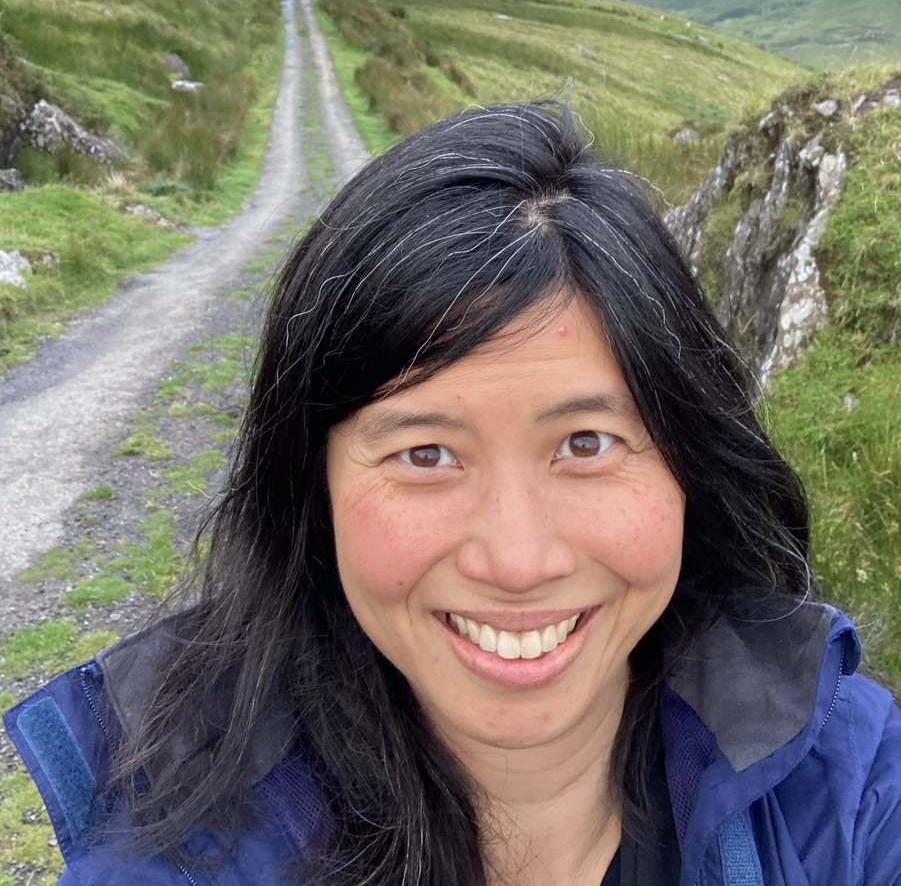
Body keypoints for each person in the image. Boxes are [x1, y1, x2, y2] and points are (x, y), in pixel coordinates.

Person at [5, 100, 900, 886]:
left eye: (585, 443)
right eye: (425, 454)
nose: (515, 561)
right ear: (310, 489)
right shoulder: (177, 859)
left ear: (688, 467)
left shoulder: (850, 779)